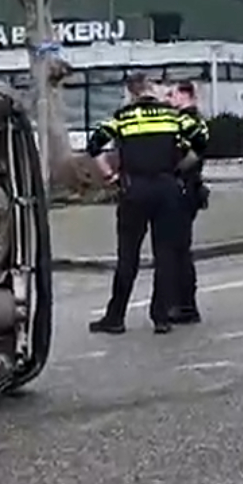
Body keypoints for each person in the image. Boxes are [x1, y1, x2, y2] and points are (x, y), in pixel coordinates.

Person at [86, 73, 208, 335]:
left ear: (131, 93)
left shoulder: (123, 117)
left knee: (128, 255)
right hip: (167, 191)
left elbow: (94, 144)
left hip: (134, 190)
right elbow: (200, 143)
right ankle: (161, 317)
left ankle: (116, 317)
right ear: (152, 89)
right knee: (164, 255)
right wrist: (178, 169)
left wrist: (110, 175)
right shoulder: (174, 117)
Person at [166, 81, 210, 324]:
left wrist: (174, 171)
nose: (169, 99)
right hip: (188, 189)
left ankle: (185, 305)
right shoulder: (193, 120)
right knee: (178, 249)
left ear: (186, 95)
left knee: (179, 249)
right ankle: (180, 303)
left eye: (172, 94)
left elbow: (194, 154)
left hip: (185, 189)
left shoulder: (190, 121)